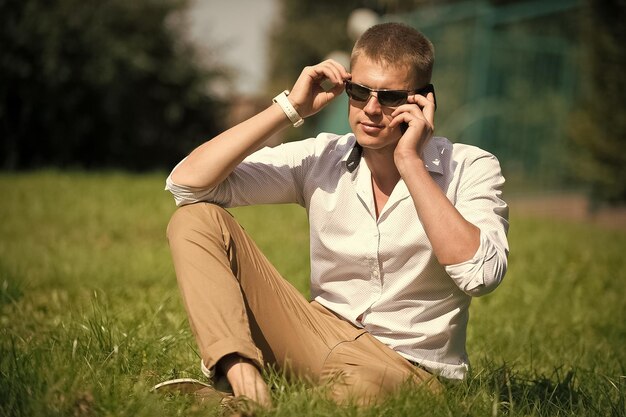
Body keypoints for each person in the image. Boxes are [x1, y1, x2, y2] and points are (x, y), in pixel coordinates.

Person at [164, 22, 509, 408]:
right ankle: (248, 388)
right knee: (195, 220)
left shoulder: (471, 166)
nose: (372, 109)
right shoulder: (320, 156)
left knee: (360, 395)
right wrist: (289, 108)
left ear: (423, 100)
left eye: (391, 97)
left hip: (405, 368)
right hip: (316, 333)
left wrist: (411, 161)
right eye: (360, 92)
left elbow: (480, 275)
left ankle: (233, 401)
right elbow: (188, 186)